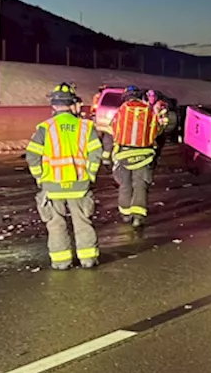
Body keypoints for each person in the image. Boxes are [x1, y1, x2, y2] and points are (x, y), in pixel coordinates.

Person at [25, 83, 105, 270]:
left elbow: (32, 156)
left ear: (53, 105)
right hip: (79, 185)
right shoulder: (85, 127)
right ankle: (88, 259)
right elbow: (96, 153)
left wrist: (40, 178)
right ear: (72, 104)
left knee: (55, 224)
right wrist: (90, 175)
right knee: (83, 222)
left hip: (52, 186)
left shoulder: (45, 128)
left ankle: (61, 261)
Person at [107, 87, 164, 228]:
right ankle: (138, 217)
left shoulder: (121, 110)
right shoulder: (147, 110)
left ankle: (126, 214)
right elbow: (156, 130)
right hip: (144, 155)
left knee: (125, 184)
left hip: (124, 154)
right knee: (140, 185)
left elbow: (113, 129)